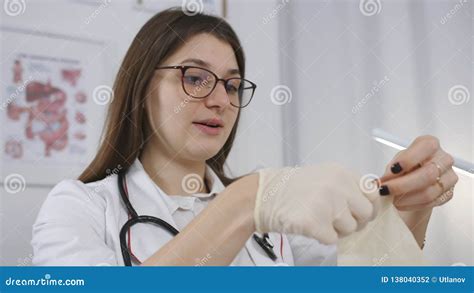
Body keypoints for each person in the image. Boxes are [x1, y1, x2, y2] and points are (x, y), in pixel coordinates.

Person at [31, 8, 458, 266]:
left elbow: (374, 274)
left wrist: (409, 205)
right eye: (195, 78)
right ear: (142, 90)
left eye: (233, 85)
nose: (220, 99)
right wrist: (245, 201)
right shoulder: (80, 207)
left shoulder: (277, 222)